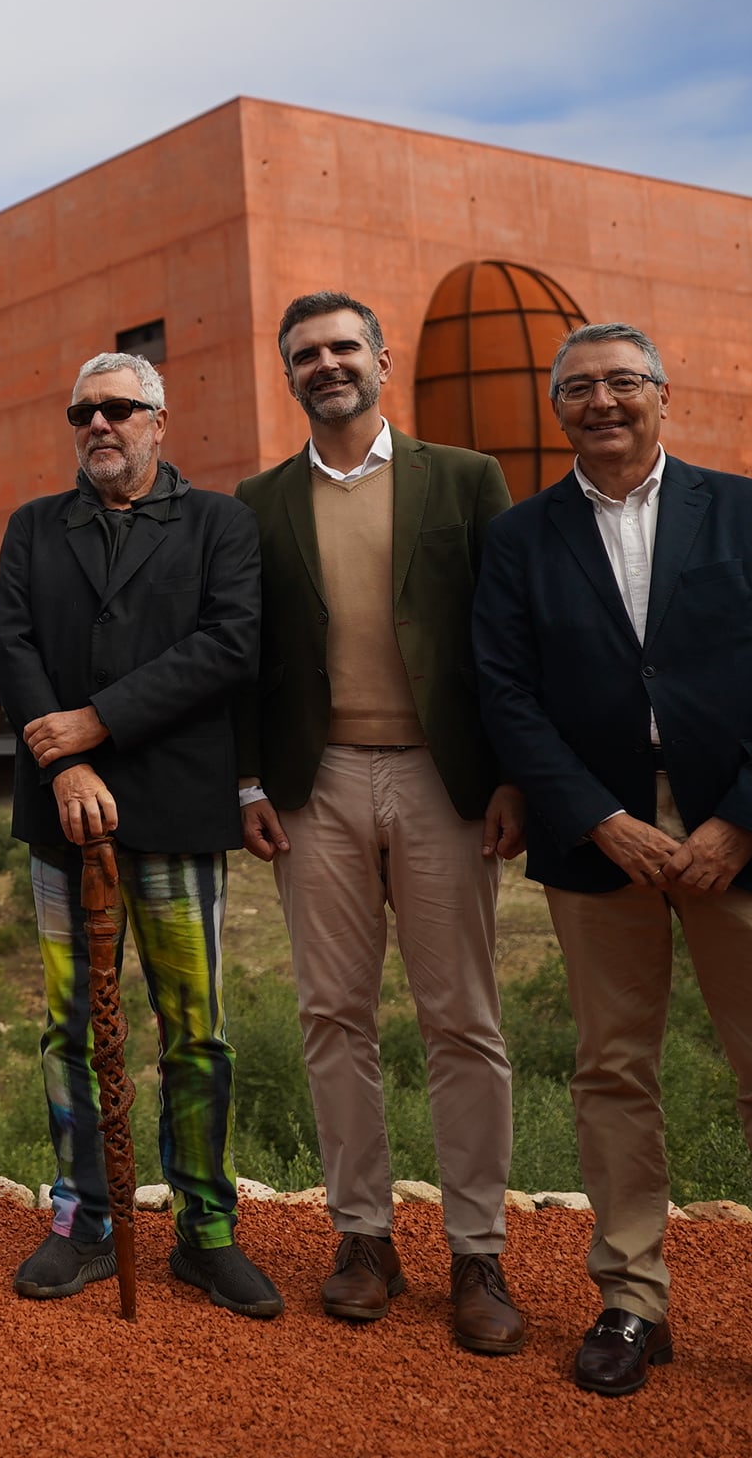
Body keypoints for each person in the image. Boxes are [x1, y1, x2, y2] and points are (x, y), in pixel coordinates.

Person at [471, 322, 752, 1453]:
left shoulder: (749, 511)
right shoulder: (520, 538)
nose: (602, 401)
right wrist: (600, 817)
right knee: (611, 1071)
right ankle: (631, 1300)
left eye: (623, 381)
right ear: (555, 407)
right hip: (597, 841)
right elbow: (506, 694)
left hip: (748, 840)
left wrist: (739, 821)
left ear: (663, 393)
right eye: (578, 388)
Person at [232, 292, 528, 1353]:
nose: (325, 364)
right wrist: (247, 782)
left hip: (444, 782)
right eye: (304, 353)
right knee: (331, 1015)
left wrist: (510, 776)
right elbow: (244, 655)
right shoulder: (257, 500)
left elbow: (506, 631)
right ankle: (360, 1235)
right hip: (317, 787)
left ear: (380, 358)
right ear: (288, 374)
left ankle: (475, 1249)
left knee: (462, 1019)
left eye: (342, 346)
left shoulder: (462, 477)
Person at [0, 350, 276, 1316]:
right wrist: (66, 761)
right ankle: (85, 1220)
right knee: (70, 1029)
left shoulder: (219, 524)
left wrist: (98, 721)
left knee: (195, 1033)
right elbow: (15, 647)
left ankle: (206, 1231)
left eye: (119, 409)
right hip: (62, 816)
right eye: (83, 412)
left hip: (176, 813)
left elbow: (231, 644)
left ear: (160, 420)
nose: (98, 426)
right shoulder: (35, 528)